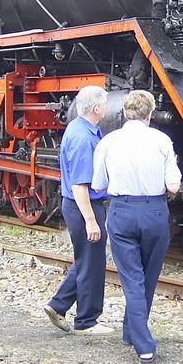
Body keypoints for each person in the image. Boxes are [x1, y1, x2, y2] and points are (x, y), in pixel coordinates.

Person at [92, 90, 182, 363]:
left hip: (121, 211)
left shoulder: (108, 142)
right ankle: (143, 341)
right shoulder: (162, 140)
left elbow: (98, 184)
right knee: (148, 277)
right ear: (150, 114)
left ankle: (132, 332)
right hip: (154, 211)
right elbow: (173, 185)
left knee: (132, 278)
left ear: (124, 112)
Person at [43, 85, 112, 335]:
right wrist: (91, 221)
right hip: (84, 205)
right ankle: (86, 321)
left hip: (78, 205)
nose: (106, 107)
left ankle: (58, 305)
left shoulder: (78, 127)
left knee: (87, 260)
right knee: (92, 263)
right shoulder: (83, 138)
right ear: (97, 108)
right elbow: (80, 184)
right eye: (104, 103)